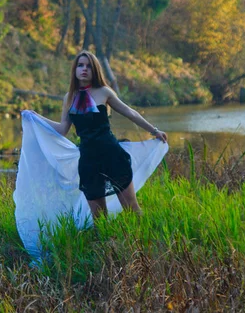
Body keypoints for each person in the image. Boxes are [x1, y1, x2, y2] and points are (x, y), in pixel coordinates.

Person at [27, 51, 167, 219]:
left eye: (88, 66)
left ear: (95, 70)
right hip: (88, 161)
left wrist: (154, 130)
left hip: (112, 155)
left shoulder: (104, 92)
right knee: (99, 218)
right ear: (75, 70)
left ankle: (144, 241)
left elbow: (130, 113)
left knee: (132, 209)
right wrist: (35, 117)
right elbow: (63, 129)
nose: (84, 69)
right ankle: (107, 245)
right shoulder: (69, 98)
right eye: (80, 65)